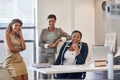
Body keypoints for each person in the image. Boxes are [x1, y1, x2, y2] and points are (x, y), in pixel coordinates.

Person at [39, 14, 70, 79]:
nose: (51, 23)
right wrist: (49, 45)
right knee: (43, 73)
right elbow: (40, 43)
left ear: (55, 21)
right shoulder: (43, 31)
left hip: (51, 54)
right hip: (42, 54)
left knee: (50, 72)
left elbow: (69, 37)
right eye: (49, 21)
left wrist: (59, 40)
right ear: (47, 21)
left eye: (53, 21)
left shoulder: (59, 30)